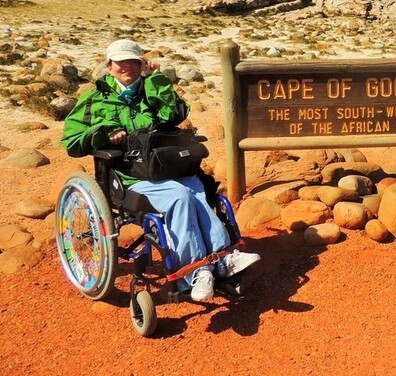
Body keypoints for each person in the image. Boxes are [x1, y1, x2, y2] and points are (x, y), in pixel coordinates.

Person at [61, 39, 260, 301]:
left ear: (141, 63)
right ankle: (195, 272)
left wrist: (156, 80)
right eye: (120, 62)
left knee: (198, 190)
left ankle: (222, 258)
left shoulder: (151, 87)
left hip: (163, 167)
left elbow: (175, 114)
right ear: (109, 66)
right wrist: (103, 135)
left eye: (133, 61)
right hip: (128, 177)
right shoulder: (95, 100)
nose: (127, 67)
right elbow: (71, 142)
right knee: (180, 197)